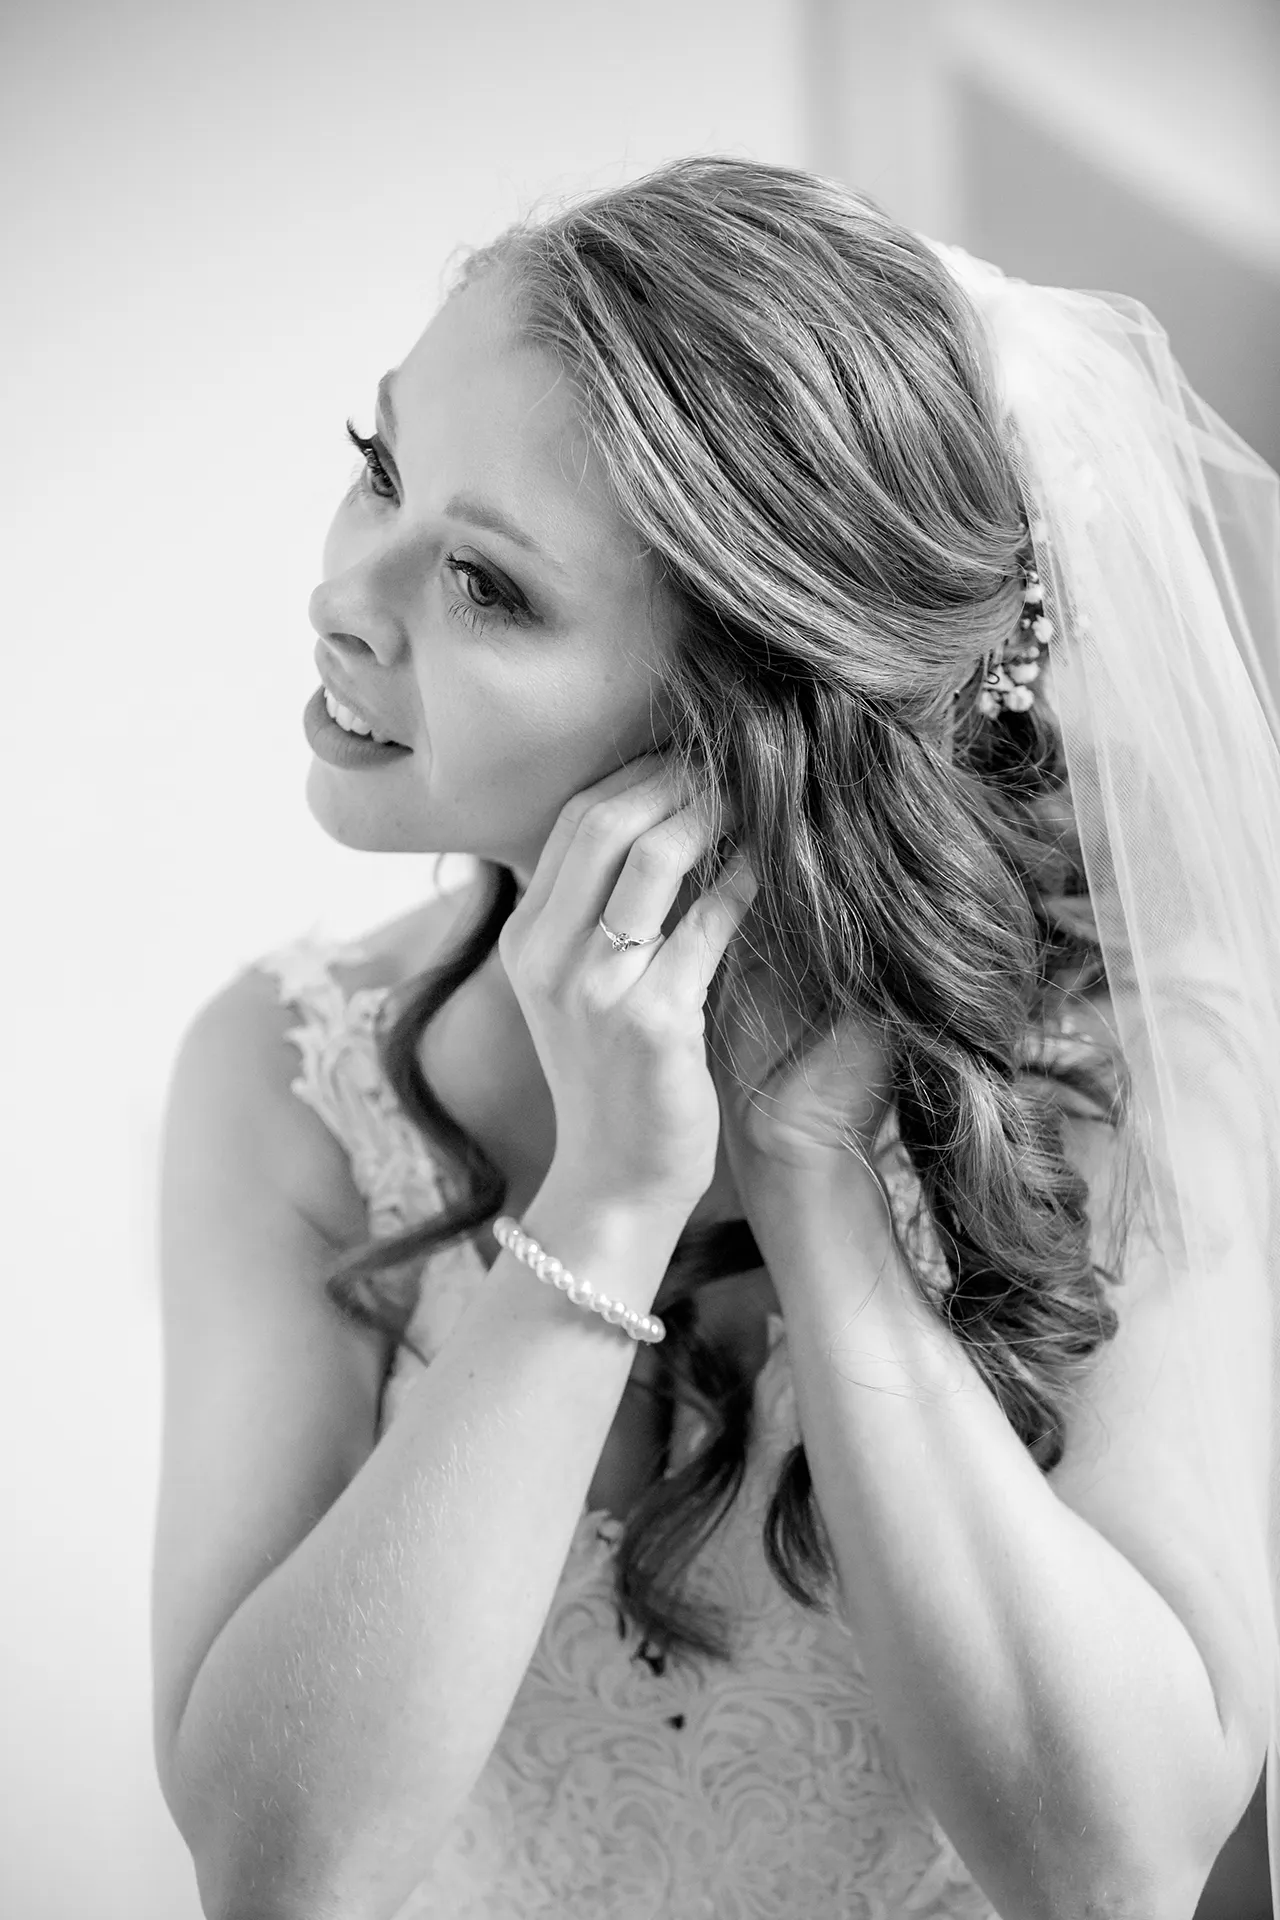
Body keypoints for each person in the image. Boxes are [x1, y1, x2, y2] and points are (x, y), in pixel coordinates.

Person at [150, 157, 1280, 1920]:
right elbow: (277, 1870)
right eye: (380, 466)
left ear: (753, 718)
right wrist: (605, 1203)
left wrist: (814, 1173)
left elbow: (1117, 1870)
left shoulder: (1125, 1077)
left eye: (488, 585)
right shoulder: (290, 1078)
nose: (348, 594)